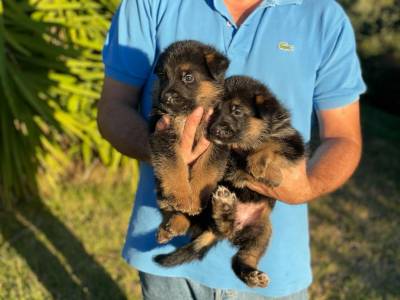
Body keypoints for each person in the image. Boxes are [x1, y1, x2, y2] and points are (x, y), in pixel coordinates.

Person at [97, 0, 366, 299]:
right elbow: (113, 108)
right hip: (165, 252)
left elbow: (344, 138)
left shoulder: (322, 16)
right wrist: (167, 153)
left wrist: (308, 186)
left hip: (274, 265)